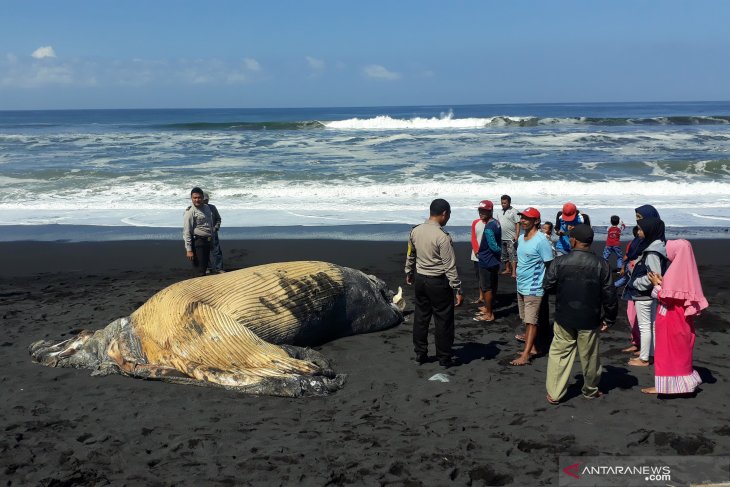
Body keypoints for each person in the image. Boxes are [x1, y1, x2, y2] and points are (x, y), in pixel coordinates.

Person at [544, 224, 618, 404]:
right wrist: (609, 318)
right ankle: (590, 390)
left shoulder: (560, 261)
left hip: (564, 316)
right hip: (589, 317)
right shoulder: (602, 264)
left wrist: (564, 290)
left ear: (574, 240)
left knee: (560, 353)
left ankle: (555, 393)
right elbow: (610, 294)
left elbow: (547, 286)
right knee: (590, 356)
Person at [642, 240, 707, 395]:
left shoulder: (675, 270)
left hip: (670, 319)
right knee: (682, 352)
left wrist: (656, 285)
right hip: (683, 320)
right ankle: (685, 383)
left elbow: (666, 297)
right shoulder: (688, 271)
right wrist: (662, 283)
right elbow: (678, 292)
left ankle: (663, 387)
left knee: (666, 353)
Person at [405, 199, 464, 367]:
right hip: (438, 282)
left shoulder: (415, 231)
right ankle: (444, 357)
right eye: (449, 215)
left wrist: (409, 272)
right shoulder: (442, 237)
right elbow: (449, 266)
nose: (448, 218)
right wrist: (458, 288)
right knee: (443, 319)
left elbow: (410, 253)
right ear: (444, 213)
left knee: (421, 318)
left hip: (421, 280)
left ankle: (420, 353)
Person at [510, 207, 554, 366]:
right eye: (522, 217)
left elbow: (550, 265)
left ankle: (526, 354)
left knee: (531, 321)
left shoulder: (542, 240)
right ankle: (533, 347)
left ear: (536, 221)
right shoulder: (521, 238)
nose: (522, 220)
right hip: (521, 286)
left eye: (527, 218)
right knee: (525, 319)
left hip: (534, 288)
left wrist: (547, 285)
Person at [625, 217, 668, 367]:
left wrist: (636, 282)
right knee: (651, 325)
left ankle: (644, 358)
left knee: (645, 326)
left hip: (644, 294)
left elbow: (655, 276)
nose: (638, 231)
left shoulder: (652, 251)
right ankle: (652, 354)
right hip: (650, 294)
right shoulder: (658, 246)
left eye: (641, 229)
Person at [473, 200, 501, 322]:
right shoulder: (496, 222)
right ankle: (487, 308)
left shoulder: (489, 226)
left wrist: (481, 253)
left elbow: (493, 245)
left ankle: (489, 314)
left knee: (486, 288)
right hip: (494, 260)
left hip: (487, 260)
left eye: (484, 211)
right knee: (492, 284)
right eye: (480, 210)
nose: (481, 213)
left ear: (490, 211)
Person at [183, 187, 215, 277]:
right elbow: (186, 231)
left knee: (205, 267)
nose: (197, 200)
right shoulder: (190, 212)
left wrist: (211, 239)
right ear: (191, 198)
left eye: (199, 197)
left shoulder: (207, 208)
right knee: (199, 271)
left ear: (203, 198)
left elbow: (209, 224)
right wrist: (189, 250)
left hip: (207, 241)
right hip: (198, 242)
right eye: (195, 198)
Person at [497, 195, 520, 278]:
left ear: (509, 202)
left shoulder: (514, 211)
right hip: (502, 237)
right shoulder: (499, 212)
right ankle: (507, 269)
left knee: (512, 254)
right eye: (502, 203)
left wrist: (516, 235)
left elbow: (518, 223)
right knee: (504, 255)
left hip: (511, 237)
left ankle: (514, 271)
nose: (503, 204)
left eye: (505, 203)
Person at [204, 192, 224, 274]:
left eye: (207, 199)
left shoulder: (212, 207)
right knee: (205, 251)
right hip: (203, 234)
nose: (206, 201)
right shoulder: (196, 208)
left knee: (216, 251)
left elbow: (218, 219)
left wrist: (216, 227)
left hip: (213, 233)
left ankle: (219, 268)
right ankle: (207, 268)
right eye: (204, 200)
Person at [469, 211, 487, 305]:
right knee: (479, 277)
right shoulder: (475, 222)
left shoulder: (493, 223)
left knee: (488, 279)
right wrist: (476, 250)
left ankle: (488, 300)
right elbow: (473, 237)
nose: (480, 213)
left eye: (482, 211)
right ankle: (481, 297)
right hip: (477, 255)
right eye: (479, 211)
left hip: (488, 256)